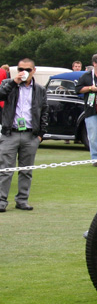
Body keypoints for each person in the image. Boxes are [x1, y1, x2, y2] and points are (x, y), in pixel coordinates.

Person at [0, 58, 49, 211]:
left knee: (26, 170)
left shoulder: (40, 90)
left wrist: (40, 134)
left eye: (27, 69)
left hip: (30, 135)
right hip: (10, 133)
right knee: (5, 170)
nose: (23, 72)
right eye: (21, 69)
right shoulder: (9, 85)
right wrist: (14, 82)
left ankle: (22, 200)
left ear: (33, 71)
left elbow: (45, 111)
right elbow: (1, 95)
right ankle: (1, 201)